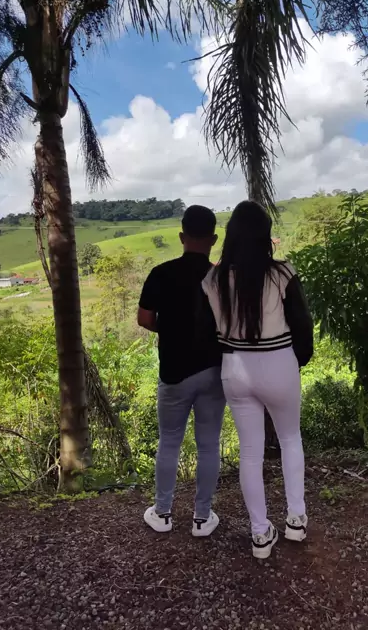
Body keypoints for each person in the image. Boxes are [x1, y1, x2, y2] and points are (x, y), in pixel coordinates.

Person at [202, 200, 314, 559]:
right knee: (290, 439)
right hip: (278, 362)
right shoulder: (282, 274)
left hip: (234, 368)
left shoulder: (213, 279)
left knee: (250, 452)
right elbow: (302, 326)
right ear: (265, 236)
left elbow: (212, 333)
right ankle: (295, 521)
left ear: (231, 236)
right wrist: (295, 363)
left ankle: (260, 534)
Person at [138, 205, 225, 537]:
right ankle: (202, 518)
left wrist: (171, 329)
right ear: (213, 239)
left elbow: (145, 319)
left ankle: (162, 513)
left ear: (181, 236)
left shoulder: (161, 274)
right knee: (208, 445)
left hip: (173, 373)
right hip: (213, 372)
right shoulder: (220, 278)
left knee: (170, 441)